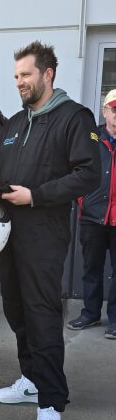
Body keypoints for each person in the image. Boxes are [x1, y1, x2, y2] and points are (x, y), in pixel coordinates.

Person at [0, 41, 100, 420]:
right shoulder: (16, 122)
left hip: (44, 237)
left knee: (42, 315)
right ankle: (31, 379)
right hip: (8, 234)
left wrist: (35, 196)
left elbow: (88, 174)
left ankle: (51, 404)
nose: (19, 82)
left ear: (47, 74)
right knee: (16, 309)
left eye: (26, 75)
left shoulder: (74, 118)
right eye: (16, 76)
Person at [67, 88, 116, 339]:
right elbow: (75, 168)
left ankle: (115, 320)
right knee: (91, 269)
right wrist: (82, 199)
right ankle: (90, 313)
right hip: (92, 215)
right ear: (105, 111)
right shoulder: (91, 138)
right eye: (114, 109)